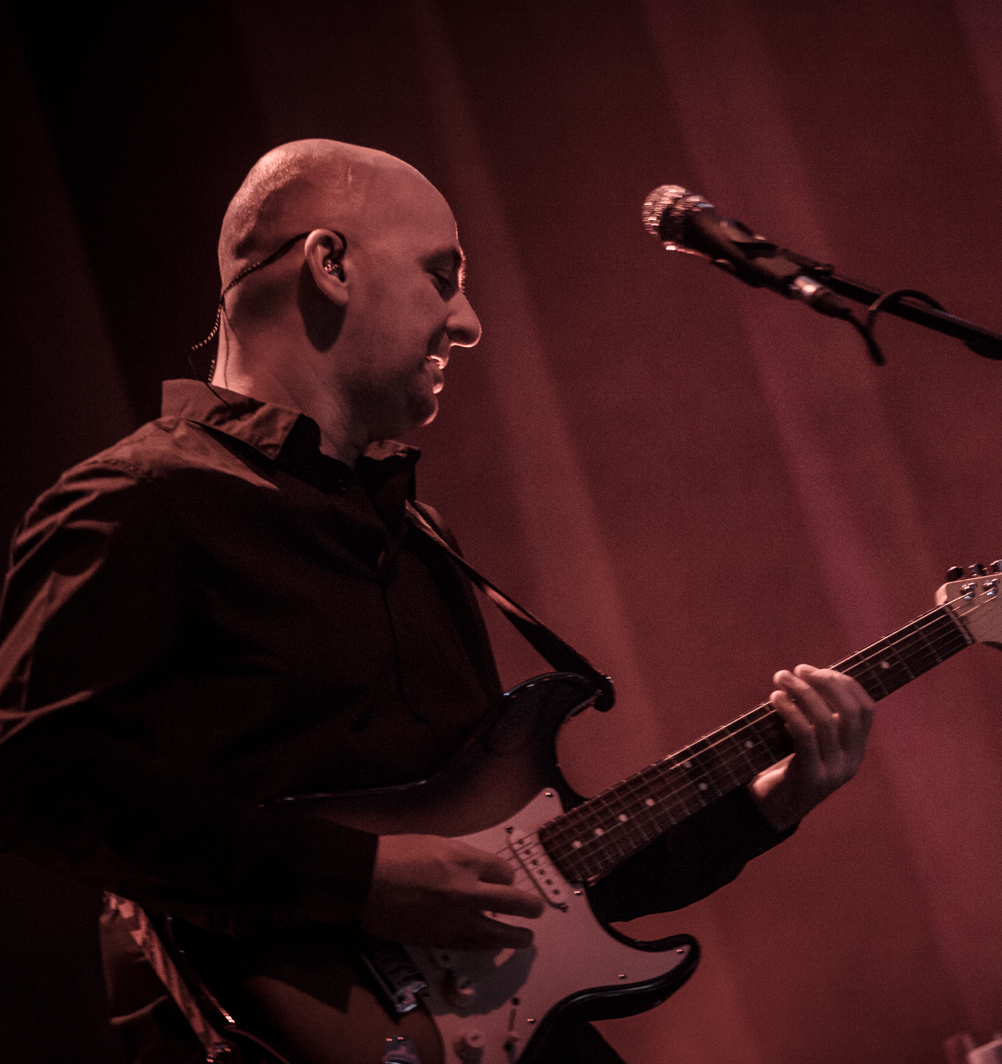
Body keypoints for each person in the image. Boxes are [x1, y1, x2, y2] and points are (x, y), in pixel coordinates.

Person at [0, 139, 874, 1063]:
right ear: (330, 264)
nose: (468, 323)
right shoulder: (142, 501)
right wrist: (358, 878)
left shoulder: (418, 536)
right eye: (441, 275)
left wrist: (772, 800)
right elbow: (32, 775)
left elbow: (532, 878)